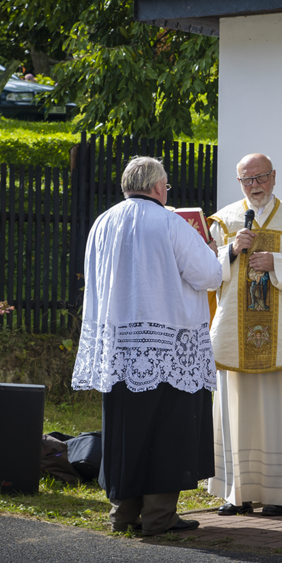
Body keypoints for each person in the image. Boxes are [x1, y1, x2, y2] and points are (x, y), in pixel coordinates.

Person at [72, 156, 222, 536]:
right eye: (166, 186)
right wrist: (212, 249)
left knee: (126, 432)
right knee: (168, 431)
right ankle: (159, 516)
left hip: (121, 346)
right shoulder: (171, 223)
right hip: (168, 346)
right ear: (158, 187)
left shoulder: (102, 222)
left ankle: (122, 515)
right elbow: (209, 275)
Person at [207, 153, 282, 516]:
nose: (254, 185)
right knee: (236, 411)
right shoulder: (223, 222)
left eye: (260, 177)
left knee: (278, 413)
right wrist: (231, 251)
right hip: (234, 332)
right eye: (247, 179)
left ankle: (278, 494)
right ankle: (236, 494)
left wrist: (278, 263)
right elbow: (203, 273)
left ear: (274, 177)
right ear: (239, 182)